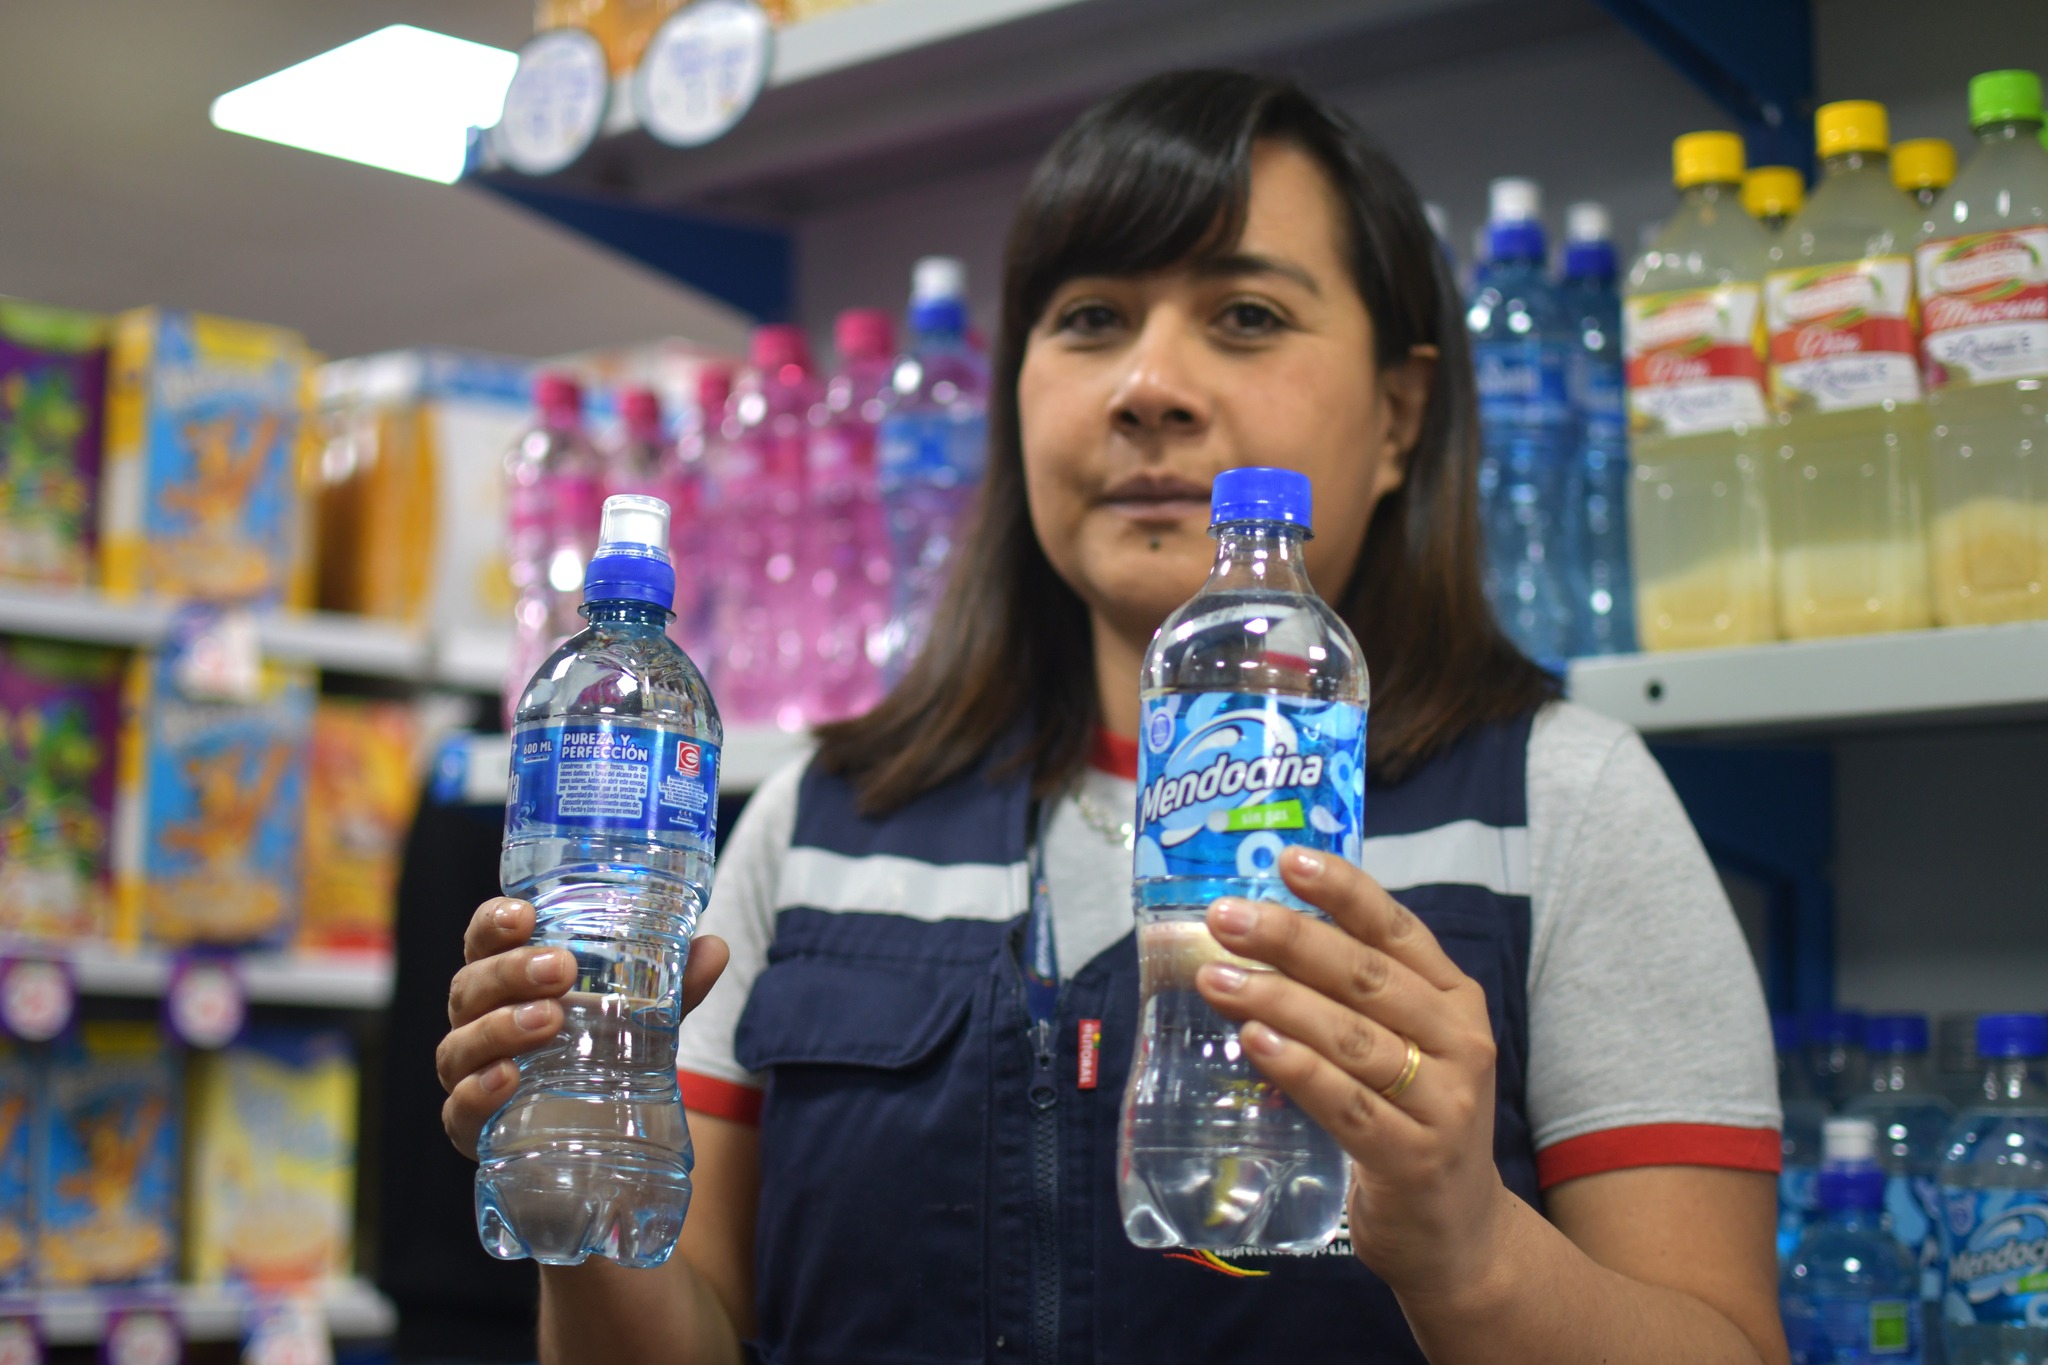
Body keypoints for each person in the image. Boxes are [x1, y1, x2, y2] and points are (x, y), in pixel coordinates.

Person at [436, 70, 1789, 1365]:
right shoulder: (826, 822)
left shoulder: (1562, 806)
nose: (1149, 385)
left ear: (1399, 413)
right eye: (1089, 319)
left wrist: (1474, 1251)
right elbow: (684, 1337)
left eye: (1247, 316)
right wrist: (576, 1164)